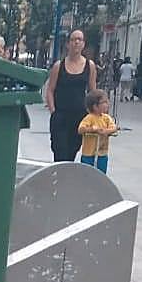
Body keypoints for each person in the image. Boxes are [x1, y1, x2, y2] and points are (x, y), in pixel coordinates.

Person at [44, 29, 97, 162]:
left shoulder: (90, 66)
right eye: (73, 39)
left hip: (79, 117)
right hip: (61, 116)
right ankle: (59, 180)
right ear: (68, 44)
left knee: (72, 153)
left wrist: (94, 114)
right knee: (60, 153)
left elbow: (92, 92)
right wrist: (53, 111)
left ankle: (66, 180)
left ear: (83, 44)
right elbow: (50, 90)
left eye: (80, 39)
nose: (76, 42)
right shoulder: (59, 66)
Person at [78, 89, 118, 174]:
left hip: (102, 152)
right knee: (87, 173)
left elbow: (114, 128)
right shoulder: (89, 118)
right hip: (88, 153)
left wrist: (106, 131)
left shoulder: (106, 118)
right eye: (104, 102)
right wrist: (93, 129)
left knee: (101, 173)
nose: (107, 104)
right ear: (95, 106)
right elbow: (81, 129)